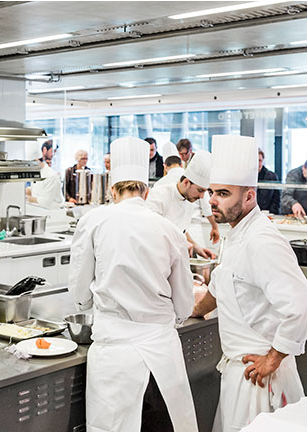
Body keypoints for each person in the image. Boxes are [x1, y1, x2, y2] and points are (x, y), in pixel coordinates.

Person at [69, 137, 198, 432]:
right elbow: (184, 305)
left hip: (114, 358)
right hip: (162, 356)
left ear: (113, 191)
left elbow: (79, 294)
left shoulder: (93, 221)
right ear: (146, 190)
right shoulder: (169, 230)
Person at [192, 135, 307, 432]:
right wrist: (198, 308)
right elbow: (225, 278)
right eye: (211, 192)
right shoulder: (236, 234)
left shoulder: (261, 241)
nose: (212, 200)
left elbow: (302, 306)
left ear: (249, 196)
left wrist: (272, 359)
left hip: (259, 378)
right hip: (240, 376)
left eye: (223, 193)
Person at [147, 150, 220, 257]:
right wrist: (179, 243)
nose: (202, 197)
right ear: (186, 182)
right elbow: (152, 231)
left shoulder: (189, 198)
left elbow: (181, 230)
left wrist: (196, 247)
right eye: (200, 191)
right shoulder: (159, 195)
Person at [26, 143, 64, 209]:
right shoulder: (37, 173)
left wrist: (29, 199)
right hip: (40, 210)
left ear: (37, 161)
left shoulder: (51, 176)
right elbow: (38, 190)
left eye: (29, 164)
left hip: (54, 212)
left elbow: (46, 202)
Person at [256, 148, 280, 214]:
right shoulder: (246, 176)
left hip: (267, 214)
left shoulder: (272, 176)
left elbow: (276, 199)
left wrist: (272, 213)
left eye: (259, 160)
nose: (257, 163)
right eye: (255, 160)